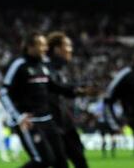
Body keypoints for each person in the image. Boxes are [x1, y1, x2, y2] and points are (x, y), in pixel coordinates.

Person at [0, 32, 78, 168]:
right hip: (30, 122)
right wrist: (19, 116)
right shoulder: (19, 64)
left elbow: (55, 86)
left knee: (61, 161)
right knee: (42, 160)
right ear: (30, 47)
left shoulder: (42, 65)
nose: (45, 48)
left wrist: (78, 90)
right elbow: (3, 92)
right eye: (41, 45)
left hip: (47, 120)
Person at [46, 32, 92, 168]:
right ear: (57, 49)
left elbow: (63, 91)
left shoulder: (60, 69)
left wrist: (80, 91)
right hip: (52, 123)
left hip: (65, 122)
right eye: (67, 45)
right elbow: (58, 88)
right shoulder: (46, 68)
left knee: (80, 160)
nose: (71, 49)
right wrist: (79, 90)